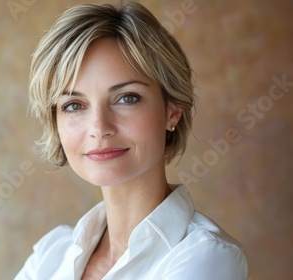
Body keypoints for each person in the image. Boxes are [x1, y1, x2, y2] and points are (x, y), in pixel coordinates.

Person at [16, 2, 248, 279]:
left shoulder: (207, 255)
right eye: (74, 105)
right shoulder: (51, 255)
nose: (99, 128)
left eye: (127, 98)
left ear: (172, 111)